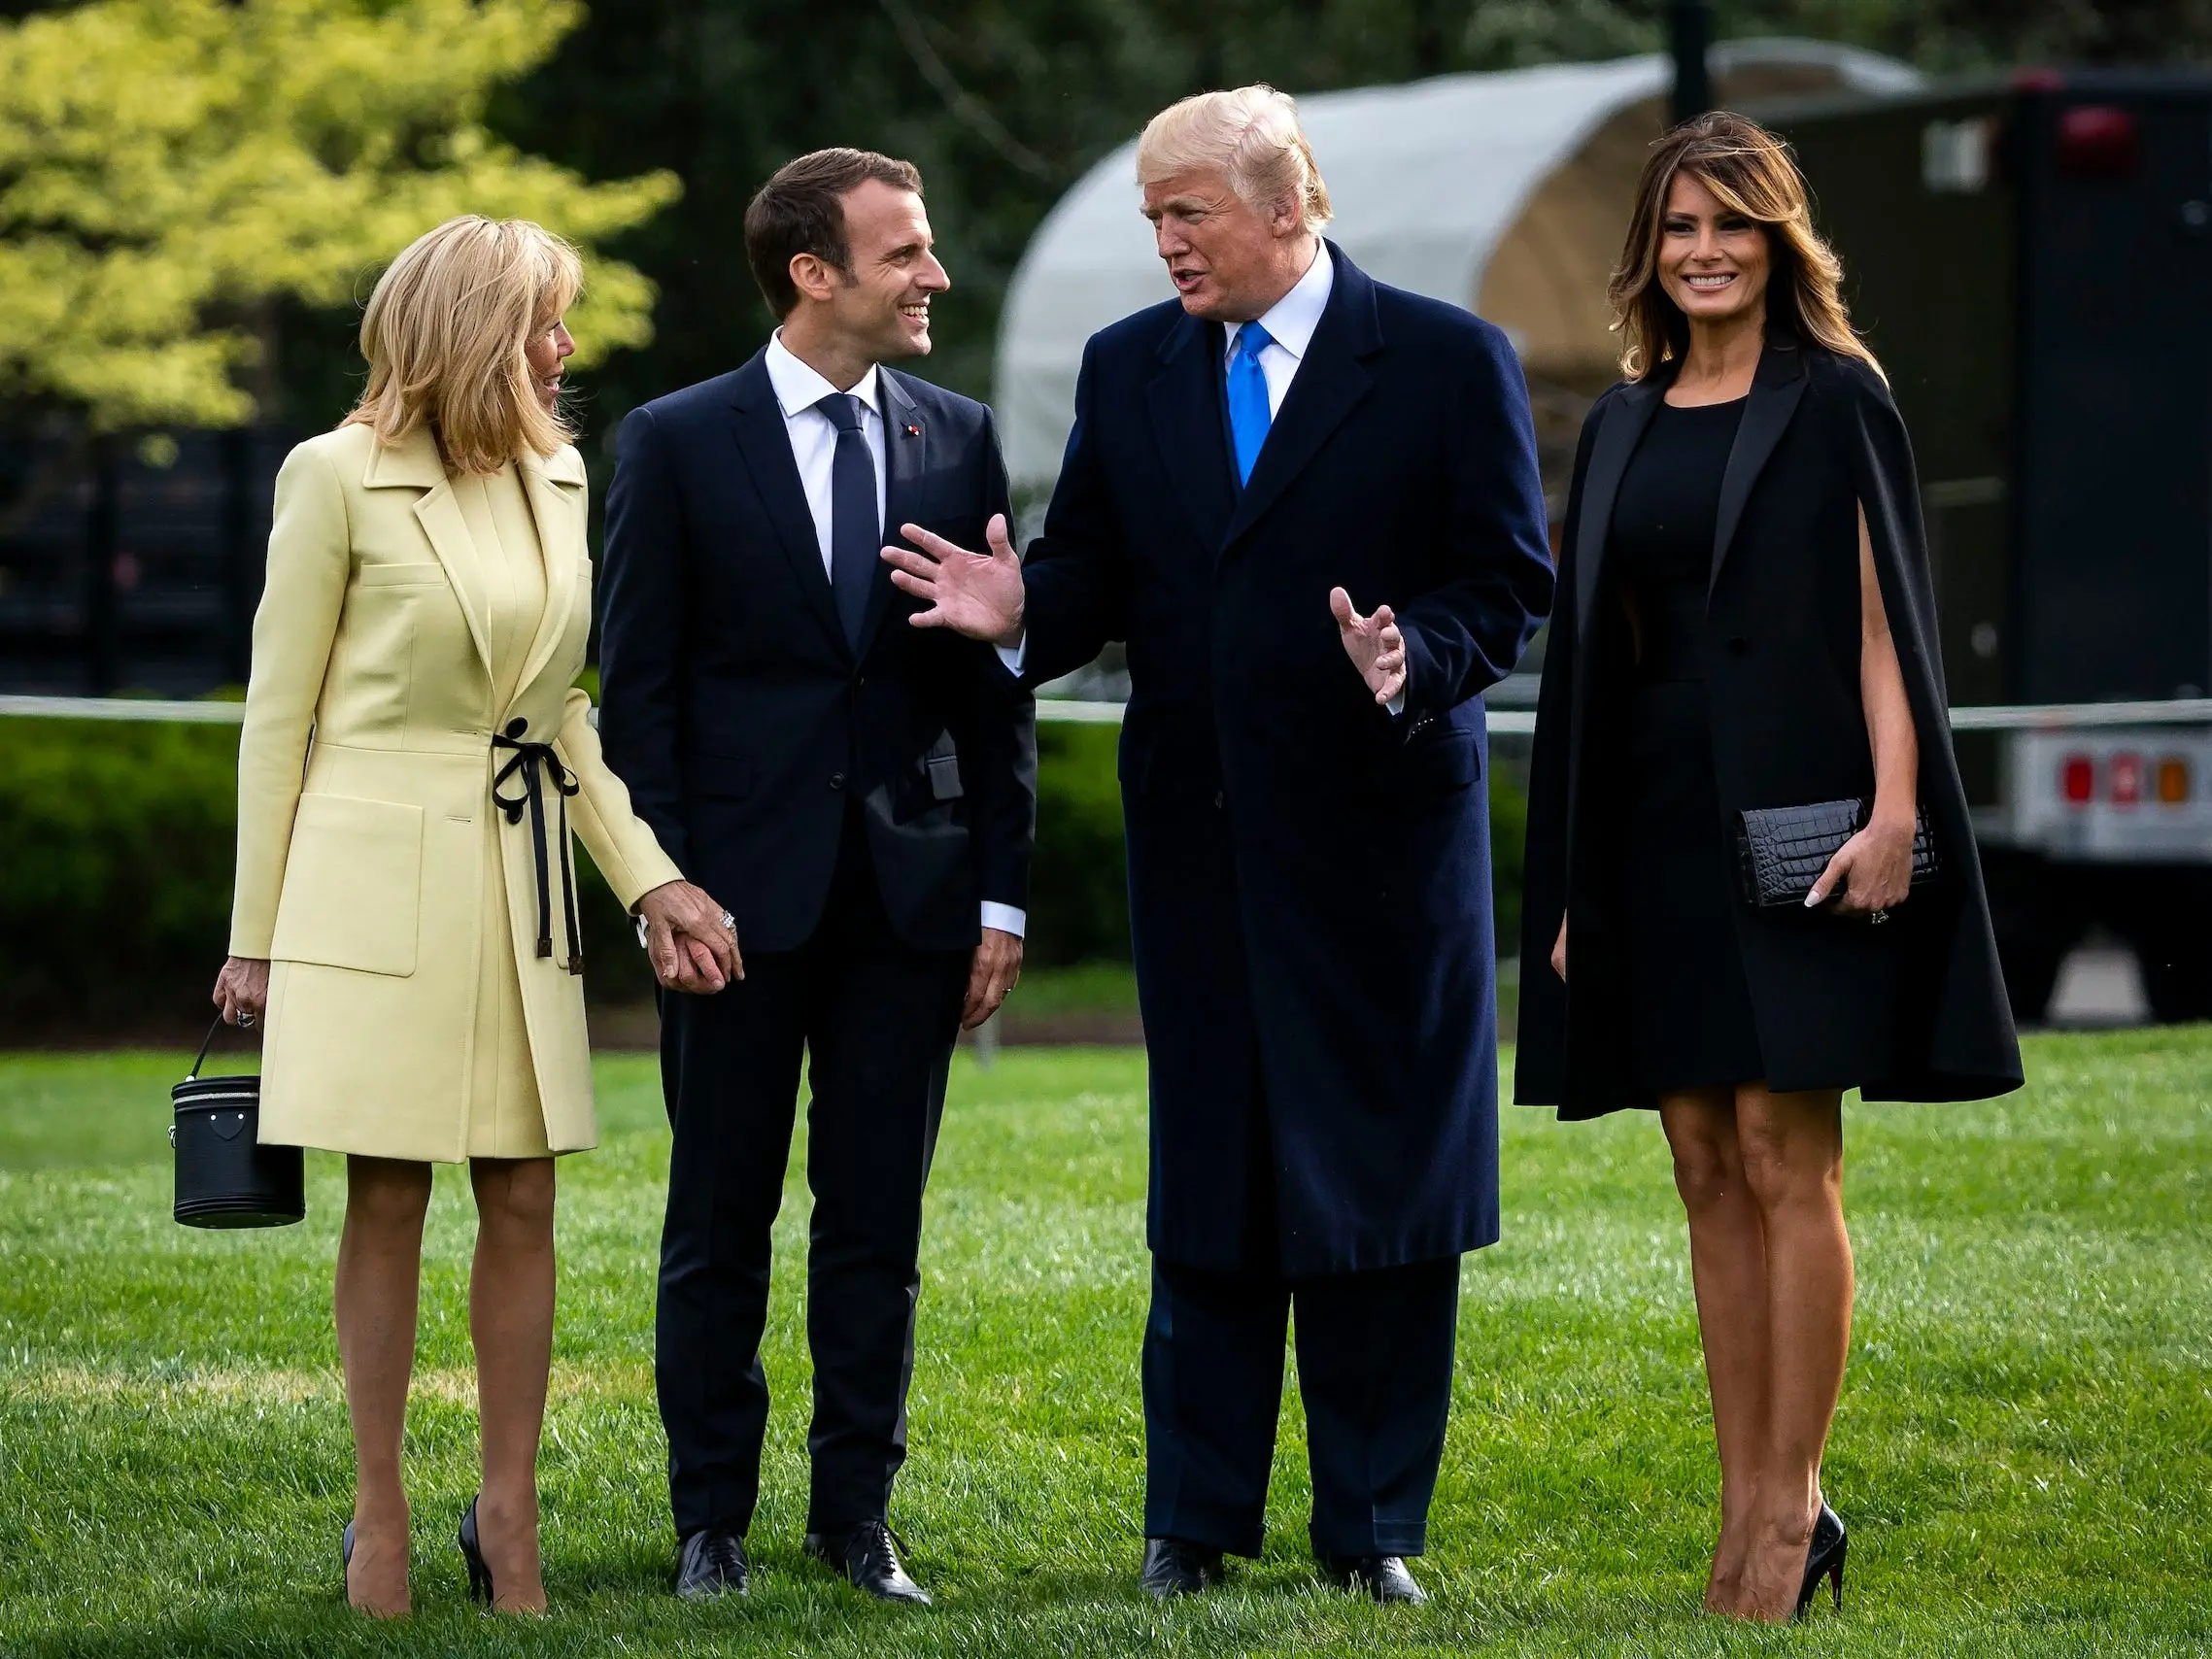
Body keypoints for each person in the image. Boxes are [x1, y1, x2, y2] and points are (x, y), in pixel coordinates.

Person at [882, 87, 1552, 1604]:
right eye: (1152, 215)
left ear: (1286, 205)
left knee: (1382, 1193)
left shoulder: (1448, 361)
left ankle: (1373, 1530)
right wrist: (1021, 614)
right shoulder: (1130, 371)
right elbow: (1094, 569)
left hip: (1384, 853)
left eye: (1186, 211)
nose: (1163, 239)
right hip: (1201, 850)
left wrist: (1417, 658)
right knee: (1212, 1187)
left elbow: (1507, 580)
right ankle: (1193, 1520)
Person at [1514, 115, 2024, 1622]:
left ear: (1779, 238)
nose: (1704, 250)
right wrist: (1568, 893)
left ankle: (1796, 1516)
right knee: (1699, 1162)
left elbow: (1887, 626)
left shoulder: (1837, 398)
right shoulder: (1621, 418)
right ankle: (1740, 1512)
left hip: (1801, 821)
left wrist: (1893, 814)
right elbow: (1591, 666)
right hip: (1650, 824)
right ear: (1649, 253)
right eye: (1679, 228)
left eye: (1733, 223)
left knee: (1786, 1153)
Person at [211, 216, 737, 1617]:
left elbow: (559, 712)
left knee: (526, 1191)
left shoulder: (561, 474)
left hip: (520, 886)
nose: (566, 352)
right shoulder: (332, 475)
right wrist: (251, 935)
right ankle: (376, 1519)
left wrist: (651, 880)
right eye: (545, 325)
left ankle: (509, 1518)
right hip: (367, 883)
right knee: (385, 1192)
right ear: (473, 336)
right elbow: (279, 718)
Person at [596, 149, 1037, 1607]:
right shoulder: (675, 439)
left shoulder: (958, 436)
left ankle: (858, 1520)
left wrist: (998, 897)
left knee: (877, 1226)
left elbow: (994, 695)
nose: (935, 278)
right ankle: (707, 1522)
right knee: (716, 1221)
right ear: (814, 273)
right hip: (731, 909)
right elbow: (639, 694)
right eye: (906, 252)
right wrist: (666, 885)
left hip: (908, 910)